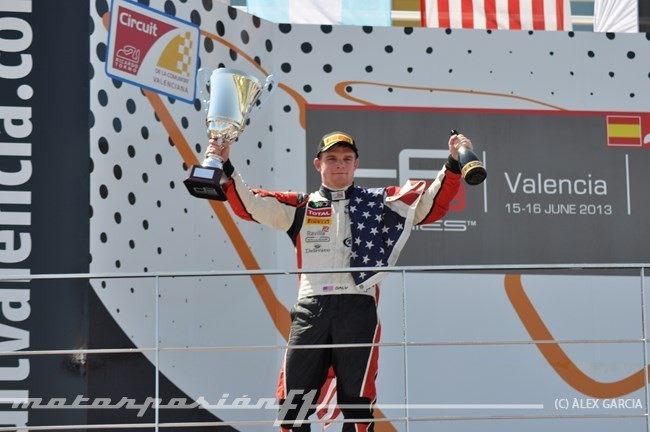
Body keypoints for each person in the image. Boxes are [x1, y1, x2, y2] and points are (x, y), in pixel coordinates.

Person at [205, 130, 472, 432]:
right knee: (292, 400)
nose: (340, 164)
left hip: (358, 305)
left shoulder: (380, 203)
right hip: (311, 306)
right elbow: (250, 204)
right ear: (318, 164)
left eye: (347, 158)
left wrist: (453, 163)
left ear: (356, 164)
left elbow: (429, 206)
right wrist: (225, 165)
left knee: (358, 401)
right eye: (331, 158)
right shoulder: (301, 206)